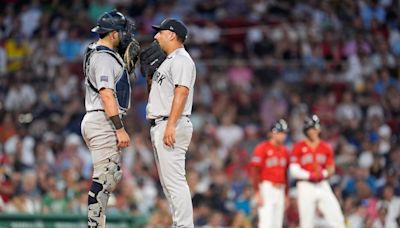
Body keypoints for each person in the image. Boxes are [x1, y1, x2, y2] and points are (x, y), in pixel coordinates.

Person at [80, 10, 139, 228]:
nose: (126, 36)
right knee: (105, 178)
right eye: (123, 32)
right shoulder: (103, 57)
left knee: (109, 177)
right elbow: (106, 93)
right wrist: (119, 128)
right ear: (113, 34)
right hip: (102, 119)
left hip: (97, 118)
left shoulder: (100, 52)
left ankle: (97, 224)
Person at [143, 18, 196, 227]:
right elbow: (156, 96)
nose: (156, 36)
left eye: (160, 32)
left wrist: (171, 125)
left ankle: (184, 226)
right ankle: (179, 224)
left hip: (171, 123)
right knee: (168, 184)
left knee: (174, 183)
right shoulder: (168, 61)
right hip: (162, 123)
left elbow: (181, 93)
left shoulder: (182, 59)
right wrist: (149, 77)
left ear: (172, 35)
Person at [289, 115, 345, 228]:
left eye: (315, 128)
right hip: (305, 185)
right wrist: (310, 175)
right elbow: (293, 170)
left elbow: (331, 168)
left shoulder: (326, 147)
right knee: (306, 223)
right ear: (306, 130)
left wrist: (323, 174)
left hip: (322, 184)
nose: (313, 131)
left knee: (337, 218)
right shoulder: (298, 147)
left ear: (319, 129)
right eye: (310, 128)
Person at [250, 119, 289, 228]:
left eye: (284, 133)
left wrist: (286, 194)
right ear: (273, 132)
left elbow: (285, 174)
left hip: (280, 189)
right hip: (267, 188)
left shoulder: (285, 151)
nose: (283, 136)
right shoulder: (262, 148)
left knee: (277, 224)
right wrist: (257, 192)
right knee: (266, 223)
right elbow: (254, 171)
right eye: (281, 133)